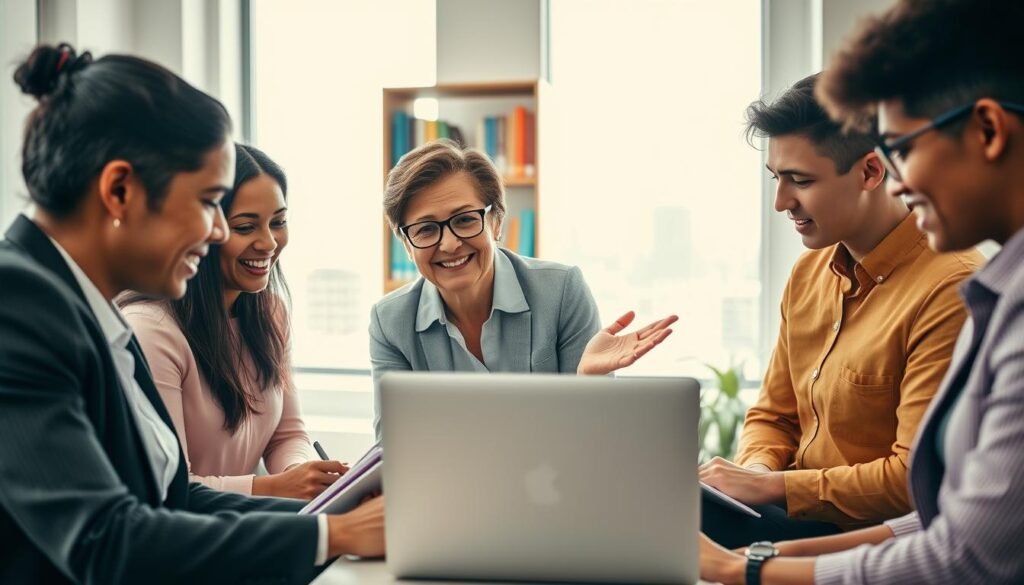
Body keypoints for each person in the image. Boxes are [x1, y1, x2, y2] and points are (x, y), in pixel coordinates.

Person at [0, 43, 382, 584]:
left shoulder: (92, 311)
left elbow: (176, 500)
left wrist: (342, 514)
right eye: (208, 202)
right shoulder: (16, 307)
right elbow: (103, 541)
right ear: (119, 190)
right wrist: (334, 534)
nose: (221, 231)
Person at [699, 0, 1024, 583]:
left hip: (842, 532)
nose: (781, 203)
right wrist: (751, 492)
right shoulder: (811, 274)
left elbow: (942, 522)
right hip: (805, 527)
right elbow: (775, 415)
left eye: (904, 148)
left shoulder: (962, 288)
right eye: (777, 180)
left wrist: (753, 560)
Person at [369, 139, 678, 438]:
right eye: (425, 229)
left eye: (464, 220)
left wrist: (588, 383)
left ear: (497, 223)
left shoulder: (561, 291)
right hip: (450, 491)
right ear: (406, 245)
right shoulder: (390, 322)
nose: (449, 244)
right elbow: (394, 450)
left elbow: (594, 445)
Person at [120, 144, 345, 500]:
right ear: (201, 230)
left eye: (279, 222)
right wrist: (273, 487)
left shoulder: (270, 312)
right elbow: (165, 489)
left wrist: (302, 476)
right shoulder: (151, 331)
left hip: (244, 527)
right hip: (187, 539)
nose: (269, 242)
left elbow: (287, 435)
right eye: (245, 227)